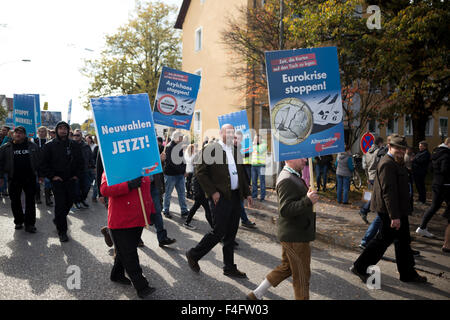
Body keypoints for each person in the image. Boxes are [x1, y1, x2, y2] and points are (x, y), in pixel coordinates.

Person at [350, 134, 427, 284]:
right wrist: (394, 216)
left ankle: (407, 273)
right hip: (390, 211)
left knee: (403, 241)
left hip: (398, 210)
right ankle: (360, 266)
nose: (400, 150)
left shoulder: (396, 162)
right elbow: (388, 192)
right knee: (382, 241)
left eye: (402, 148)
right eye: (397, 147)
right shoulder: (387, 163)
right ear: (389, 146)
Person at [185, 124, 253, 278]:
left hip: (236, 197)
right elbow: (200, 172)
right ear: (221, 133)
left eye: (232, 133)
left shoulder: (236, 151)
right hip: (220, 198)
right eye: (227, 132)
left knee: (231, 233)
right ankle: (193, 254)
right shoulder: (211, 149)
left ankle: (229, 267)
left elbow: (241, 174)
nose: (230, 135)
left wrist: (247, 193)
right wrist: (212, 192)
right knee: (219, 231)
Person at [247, 158, 318, 300]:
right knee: (302, 276)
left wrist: (307, 195)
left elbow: (293, 200)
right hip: (295, 237)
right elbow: (285, 210)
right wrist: (307, 201)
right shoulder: (286, 178)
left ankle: (256, 294)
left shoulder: (292, 175)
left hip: (294, 234)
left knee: (287, 268)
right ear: (290, 158)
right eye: (302, 157)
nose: (305, 160)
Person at [100, 173, 157, 299]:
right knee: (130, 253)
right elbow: (104, 189)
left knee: (125, 250)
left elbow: (147, 192)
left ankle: (117, 274)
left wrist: (151, 211)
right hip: (121, 219)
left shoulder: (141, 168)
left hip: (139, 218)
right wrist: (128, 185)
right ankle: (141, 286)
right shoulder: (114, 166)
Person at [40, 121, 83, 242]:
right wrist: (52, 176)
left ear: (68, 130)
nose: (63, 130)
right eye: (60, 128)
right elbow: (43, 164)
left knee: (69, 202)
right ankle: (62, 231)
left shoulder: (74, 145)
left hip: (71, 180)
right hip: (57, 181)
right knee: (60, 204)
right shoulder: (49, 146)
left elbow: (80, 162)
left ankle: (59, 218)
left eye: (65, 128)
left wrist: (76, 176)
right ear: (57, 130)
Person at [0, 126, 40, 233]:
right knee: (15, 201)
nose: (18, 134)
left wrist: (40, 175)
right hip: (13, 178)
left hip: (30, 178)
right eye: (16, 132)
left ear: (25, 134)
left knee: (30, 201)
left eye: (21, 132)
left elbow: (38, 161)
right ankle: (18, 221)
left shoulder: (33, 146)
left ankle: (30, 224)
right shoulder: (6, 147)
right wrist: (1, 177)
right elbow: (1, 163)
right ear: (13, 134)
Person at [416, 138, 450, 238]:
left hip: (437, 183)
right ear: (448, 144)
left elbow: (430, 168)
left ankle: (422, 228)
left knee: (434, 207)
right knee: (437, 207)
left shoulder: (436, 152)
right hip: (445, 185)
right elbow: (445, 169)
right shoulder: (446, 154)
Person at [183, 146, 214, 230]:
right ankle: (215, 228)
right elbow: (196, 178)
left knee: (196, 206)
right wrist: (195, 191)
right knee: (208, 210)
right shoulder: (201, 163)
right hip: (200, 191)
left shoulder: (205, 162)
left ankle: (187, 222)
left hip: (201, 191)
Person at [162, 130, 189, 219]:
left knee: (181, 193)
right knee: (168, 193)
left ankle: (184, 210)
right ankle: (165, 210)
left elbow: (183, 159)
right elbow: (171, 162)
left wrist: (185, 169)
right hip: (170, 174)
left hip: (179, 174)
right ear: (176, 137)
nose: (182, 139)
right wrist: (182, 170)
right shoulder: (169, 147)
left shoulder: (179, 146)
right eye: (181, 137)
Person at [359, 137, 384, 223]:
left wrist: (367, 177)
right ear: (380, 143)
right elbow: (381, 165)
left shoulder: (367, 152)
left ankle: (365, 210)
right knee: (376, 196)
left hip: (370, 176)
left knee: (372, 195)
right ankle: (364, 210)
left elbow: (365, 167)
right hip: (377, 176)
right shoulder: (379, 152)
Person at [235, 131, 256, 229]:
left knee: (239, 204)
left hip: (239, 183)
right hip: (231, 186)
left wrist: (247, 183)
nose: (237, 141)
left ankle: (244, 220)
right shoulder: (228, 151)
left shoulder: (238, 151)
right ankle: (244, 220)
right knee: (238, 205)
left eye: (239, 139)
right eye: (236, 138)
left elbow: (241, 170)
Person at [72, 129, 94, 209]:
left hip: (85, 170)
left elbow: (90, 157)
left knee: (87, 186)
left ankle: (82, 199)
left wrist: (93, 166)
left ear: (81, 136)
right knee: (76, 188)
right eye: (74, 135)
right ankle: (77, 201)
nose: (76, 137)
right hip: (75, 171)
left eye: (78, 135)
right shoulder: (71, 145)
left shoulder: (86, 145)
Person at [34, 126, 53, 205]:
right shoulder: (34, 141)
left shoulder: (50, 142)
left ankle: (48, 199)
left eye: (43, 131)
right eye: (40, 131)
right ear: (38, 132)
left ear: (46, 133)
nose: (42, 133)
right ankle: (38, 197)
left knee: (48, 182)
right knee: (37, 182)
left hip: (47, 166)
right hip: (36, 165)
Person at [251, 134, 267, 202]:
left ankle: (262, 197)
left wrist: (254, 145)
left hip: (261, 165)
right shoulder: (253, 145)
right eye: (255, 139)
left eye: (257, 139)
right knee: (254, 182)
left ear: (260, 139)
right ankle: (254, 195)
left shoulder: (264, 144)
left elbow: (259, 151)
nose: (255, 140)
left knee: (262, 182)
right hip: (253, 165)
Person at [87, 135, 99, 202]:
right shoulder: (97, 147)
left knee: (96, 182)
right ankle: (94, 196)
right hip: (95, 168)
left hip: (96, 168)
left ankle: (95, 196)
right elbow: (93, 158)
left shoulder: (96, 146)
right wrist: (94, 167)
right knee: (95, 183)